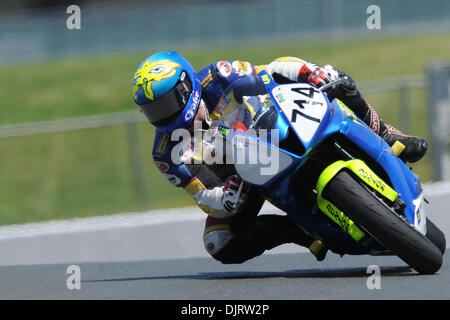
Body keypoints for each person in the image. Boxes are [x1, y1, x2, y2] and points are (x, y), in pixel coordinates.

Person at [132, 51, 427, 264]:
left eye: (167, 104)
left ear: (187, 87)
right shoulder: (168, 153)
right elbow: (200, 192)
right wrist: (223, 199)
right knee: (218, 243)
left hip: (276, 124)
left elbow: (270, 71)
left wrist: (311, 74)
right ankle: (298, 230)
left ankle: (386, 134)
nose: (163, 116)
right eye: (153, 111)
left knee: (339, 82)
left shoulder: (217, 75)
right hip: (244, 178)